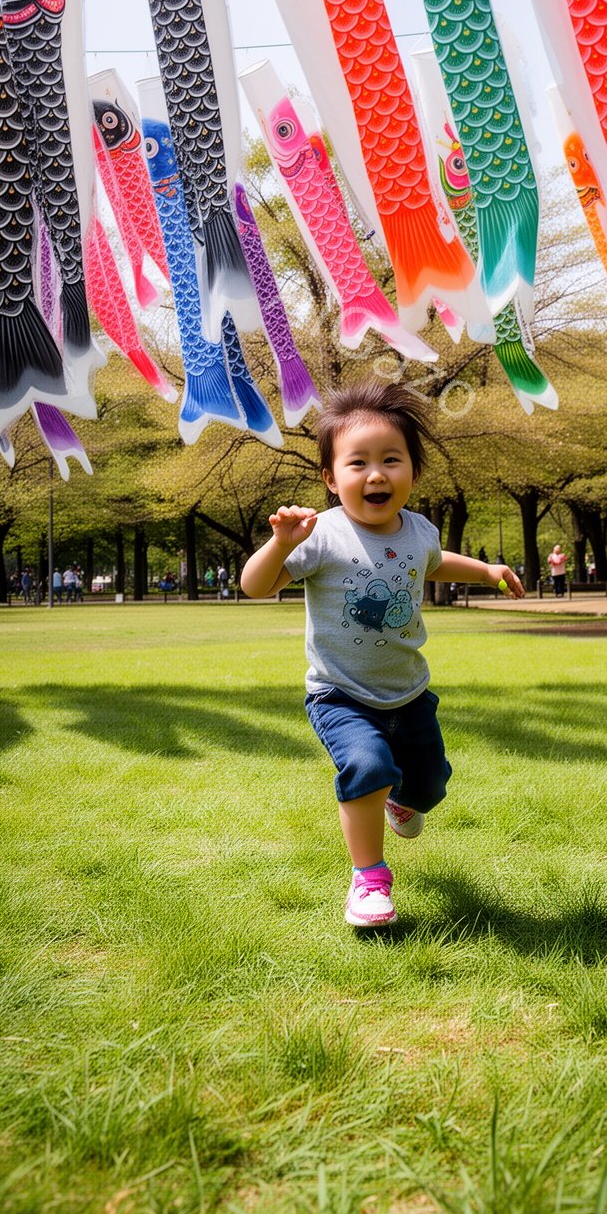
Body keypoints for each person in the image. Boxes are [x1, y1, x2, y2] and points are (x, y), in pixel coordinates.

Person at [241, 379, 524, 930]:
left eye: (391, 460)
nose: (376, 474)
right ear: (331, 478)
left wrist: (488, 571)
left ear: (412, 473)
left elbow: (437, 562)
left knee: (430, 785)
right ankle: (368, 879)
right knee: (367, 766)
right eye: (358, 463)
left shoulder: (418, 530)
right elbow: (255, 586)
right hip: (340, 693)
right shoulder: (320, 535)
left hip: (409, 693)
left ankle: (403, 800)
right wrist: (280, 543)